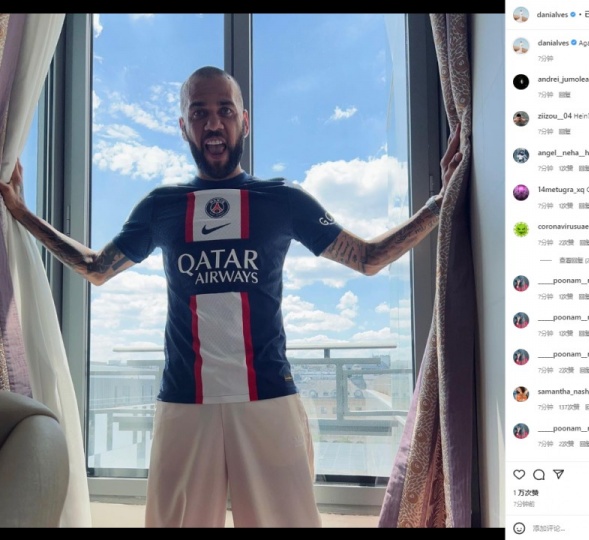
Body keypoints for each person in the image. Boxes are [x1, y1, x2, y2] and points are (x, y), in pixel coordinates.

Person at [0, 66, 464, 528]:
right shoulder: (162, 206)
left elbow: (367, 258)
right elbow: (97, 267)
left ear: (245, 120)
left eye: (224, 110)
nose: (213, 123)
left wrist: (438, 203)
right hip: (185, 402)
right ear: (183, 126)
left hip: (268, 398)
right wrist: (21, 213)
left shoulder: (283, 199)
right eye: (199, 112)